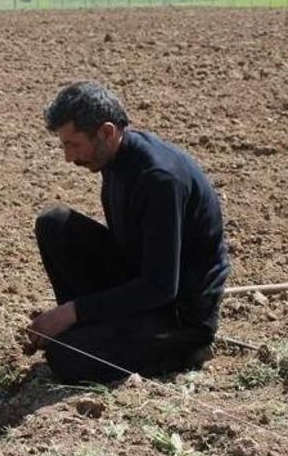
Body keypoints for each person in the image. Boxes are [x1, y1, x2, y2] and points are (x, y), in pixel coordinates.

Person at [28, 81, 230, 383]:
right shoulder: (115, 158)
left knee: (66, 357)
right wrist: (77, 312)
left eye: (74, 145)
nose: (68, 157)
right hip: (144, 281)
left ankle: (185, 352)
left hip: (178, 316)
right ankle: (86, 332)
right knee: (54, 223)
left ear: (106, 132)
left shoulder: (158, 180)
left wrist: (71, 312)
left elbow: (161, 287)